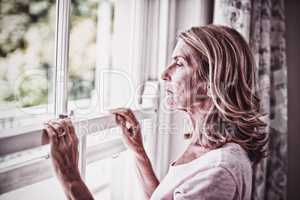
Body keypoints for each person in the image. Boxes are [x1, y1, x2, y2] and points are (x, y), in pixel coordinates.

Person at [43, 25, 268, 200]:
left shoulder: (218, 171)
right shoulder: (209, 148)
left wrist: (70, 177)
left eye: (179, 64)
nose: (163, 74)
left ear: (212, 81)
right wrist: (139, 153)